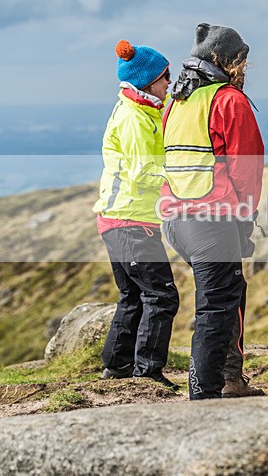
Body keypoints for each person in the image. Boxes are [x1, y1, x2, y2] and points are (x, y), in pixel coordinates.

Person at [159, 23, 265, 399]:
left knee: (228, 292)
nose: (244, 69)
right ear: (227, 62)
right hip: (210, 220)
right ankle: (203, 392)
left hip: (174, 219)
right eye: (242, 61)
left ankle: (231, 379)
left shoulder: (177, 101)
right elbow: (247, 168)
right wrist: (245, 220)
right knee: (216, 305)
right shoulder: (228, 100)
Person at [93, 40, 180, 389]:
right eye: (165, 76)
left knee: (132, 295)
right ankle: (147, 373)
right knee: (162, 296)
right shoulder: (135, 118)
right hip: (131, 221)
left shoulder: (140, 110)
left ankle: (116, 367)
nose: (169, 83)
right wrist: (183, 180)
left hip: (119, 220)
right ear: (147, 82)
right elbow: (144, 172)